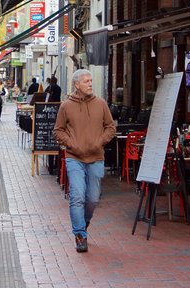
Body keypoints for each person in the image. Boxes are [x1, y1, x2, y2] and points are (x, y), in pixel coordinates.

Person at [53, 69, 116, 253]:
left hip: (96, 157)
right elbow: (58, 130)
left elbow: (110, 127)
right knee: (77, 195)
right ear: (76, 85)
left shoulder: (101, 103)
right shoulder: (66, 106)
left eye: (91, 80)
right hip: (74, 158)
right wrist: (71, 144)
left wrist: (100, 142)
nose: (90, 83)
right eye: (86, 81)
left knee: (93, 198)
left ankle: (84, 221)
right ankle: (80, 234)